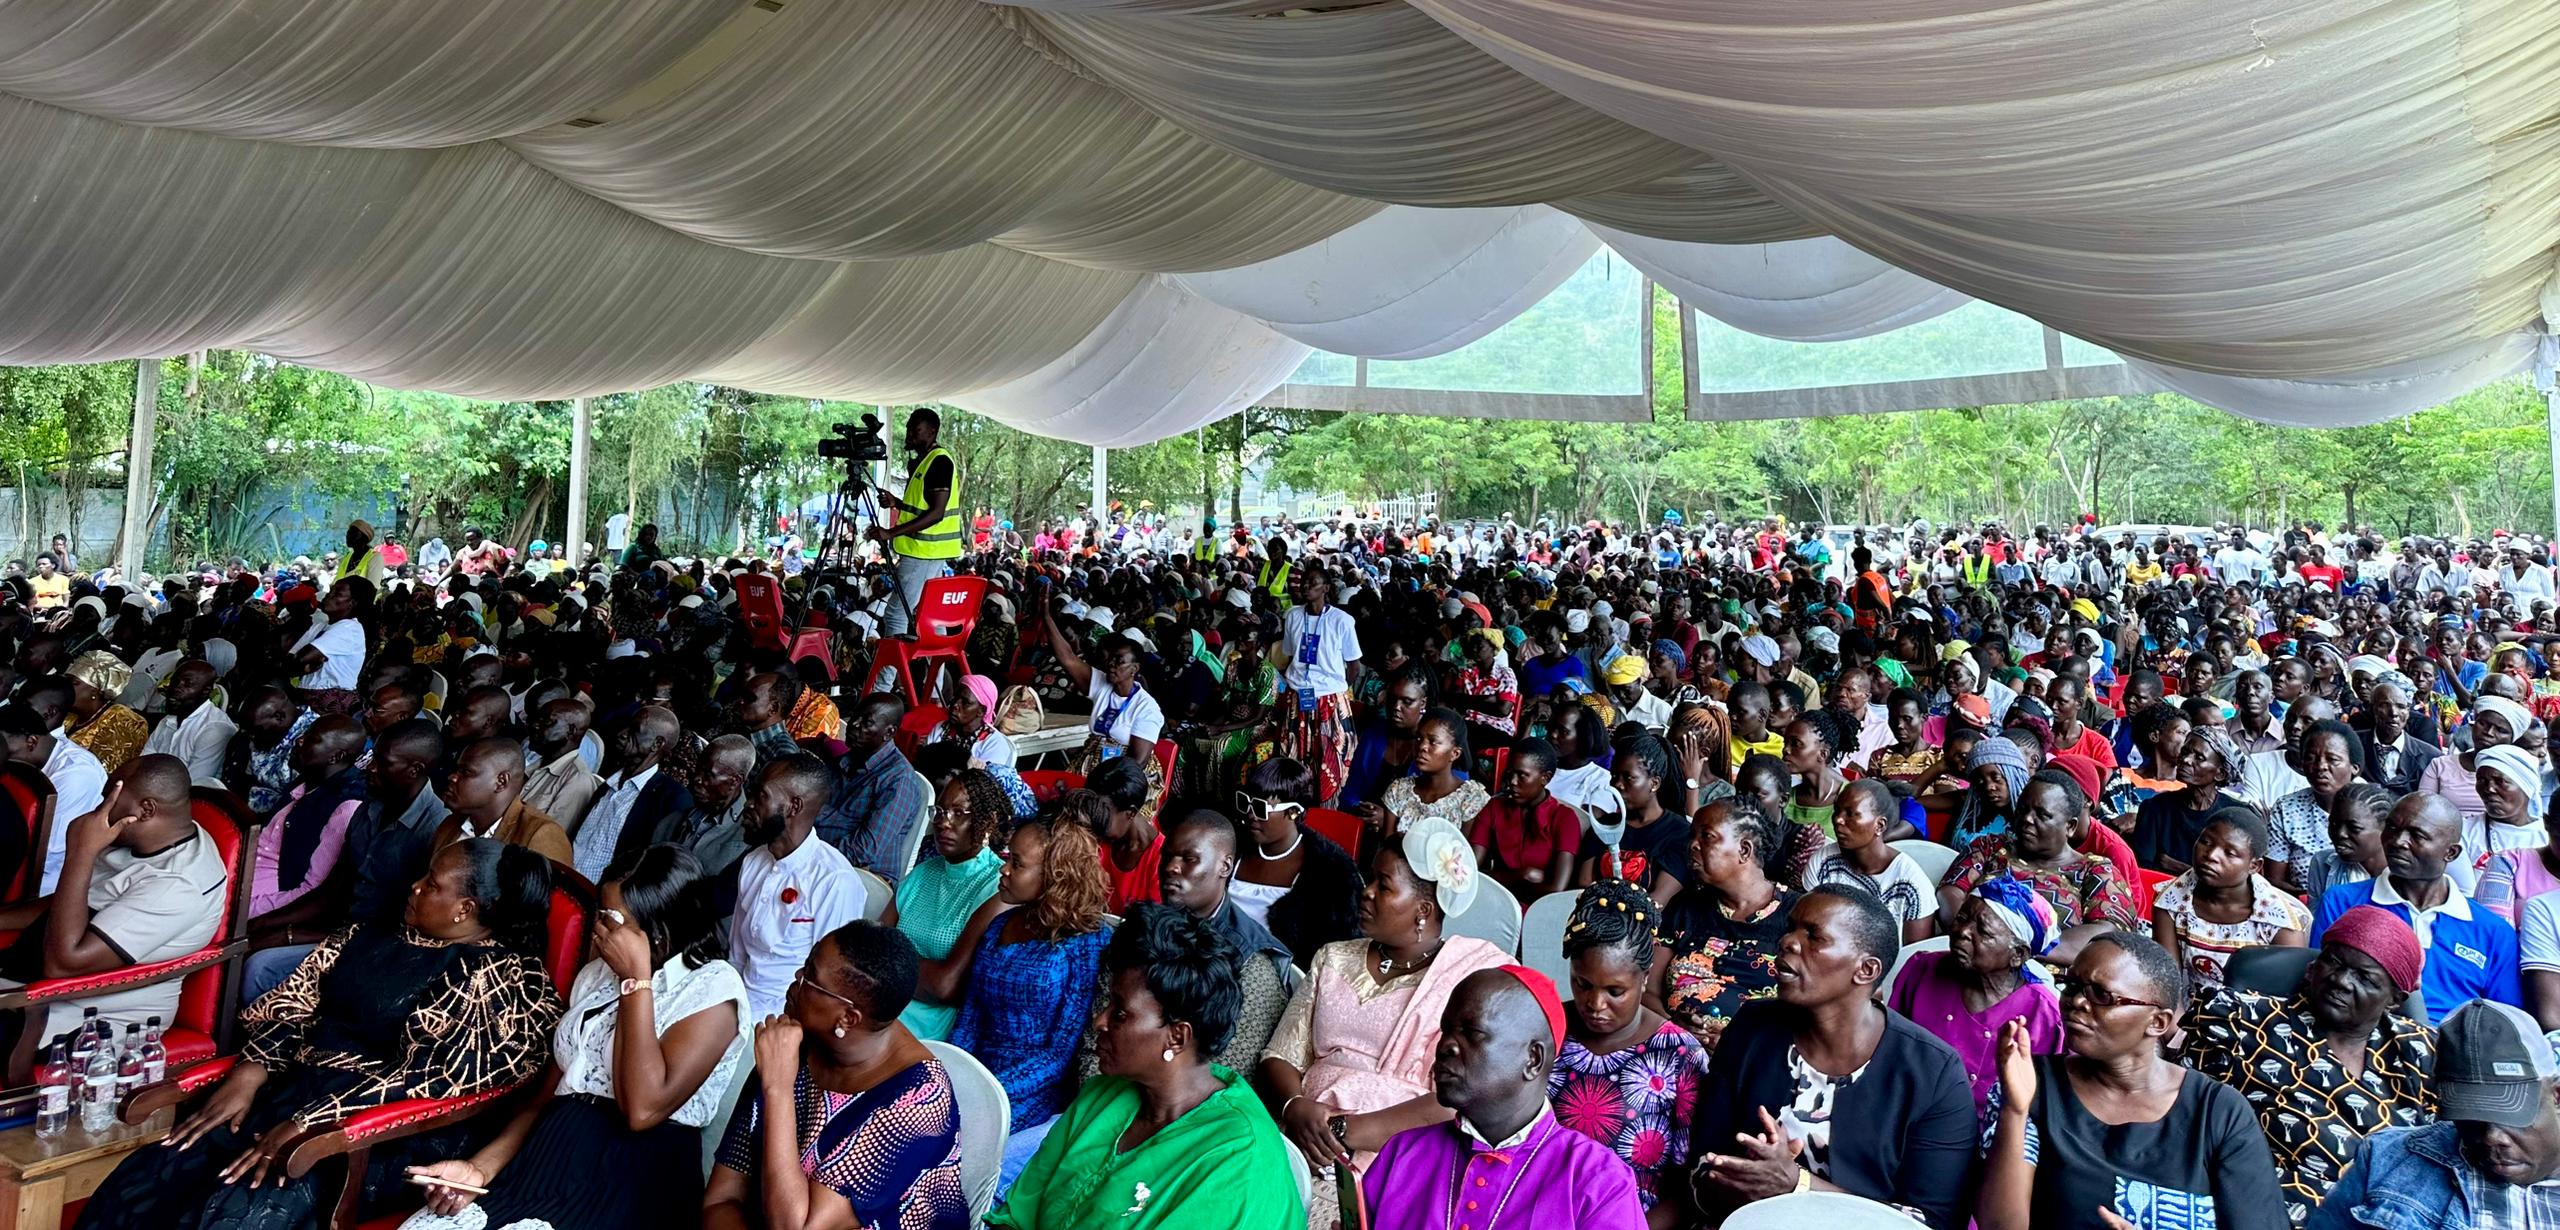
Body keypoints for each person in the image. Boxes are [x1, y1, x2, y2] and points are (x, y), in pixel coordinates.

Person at [75, 840, 562, 1230]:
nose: (414, 887)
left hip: (377, 1133)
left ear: (465, 908)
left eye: (431, 884)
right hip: (291, 1095)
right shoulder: (364, 937)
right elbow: (293, 1004)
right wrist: (250, 1071)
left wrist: (317, 1122)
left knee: (233, 1212)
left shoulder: (502, 978)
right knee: (149, 1175)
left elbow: (437, 1079)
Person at [401, 847, 750, 1230]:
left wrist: (636, 981)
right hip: (544, 1163)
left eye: (612, 919)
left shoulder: (712, 987)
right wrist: (479, 1169)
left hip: (628, 1180)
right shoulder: (597, 975)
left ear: (658, 927)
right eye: (600, 912)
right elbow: (546, 1098)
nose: (598, 928)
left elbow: (644, 1109)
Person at [1261, 818, 1510, 1229]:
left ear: (1423, 910)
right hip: (1301, 1134)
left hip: (1402, 1152)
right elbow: (1280, 1054)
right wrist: (1296, 1107)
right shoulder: (1333, 958)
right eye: (1369, 878)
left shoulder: (1473, 978)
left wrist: (1346, 1130)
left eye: (1383, 885)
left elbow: (1464, 1098)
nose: (1367, 892)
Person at [994, 904, 1303, 1230]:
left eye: (1121, 1013)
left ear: (1176, 1038)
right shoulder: (1103, 1096)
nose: (1100, 1021)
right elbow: (1017, 1216)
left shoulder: (1235, 1157)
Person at [1690, 887, 1980, 1229]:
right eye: (1791, 927)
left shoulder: (1934, 1073)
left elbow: (1933, 1222)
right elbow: (1702, 1167)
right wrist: (1736, 1177)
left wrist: (1797, 1186)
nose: (1788, 942)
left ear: (1866, 970)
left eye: (1814, 936)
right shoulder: (1751, 1028)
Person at [1979, 931, 2288, 1230]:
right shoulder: (2033, 1085)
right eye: (2072, 986)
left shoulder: (2219, 1112)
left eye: (2101, 995)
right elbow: (1999, 1226)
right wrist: (2014, 1111)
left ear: (2157, 1022)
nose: (2077, 1002)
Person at [700, 920, 970, 1230]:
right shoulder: (794, 1046)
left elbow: (796, 1226)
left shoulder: (918, 1102)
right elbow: (722, 1198)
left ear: (848, 1017)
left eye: (810, 979)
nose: (796, 979)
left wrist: (777, 1088)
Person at [2181, 905, 2434, 1225]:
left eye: (2364, 977)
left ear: (2395, 1000)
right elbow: (2184, 1119)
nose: (2341, 981)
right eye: (2334, 962)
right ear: (2313, 965)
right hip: (2271, 1212)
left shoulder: (2418, 1051)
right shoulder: (2240, 1022)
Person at [1360, 966, 1645, 1230]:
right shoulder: (1402, 1153)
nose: (1446, 1045)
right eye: (1447, 1030)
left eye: (1472, 1033)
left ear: (1532, 1059)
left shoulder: (1598, 1181)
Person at [0, 755, 224, 1080]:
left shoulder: (176, 885)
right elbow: (66, 902)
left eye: (110, 795)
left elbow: (64, 966)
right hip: (31, 974)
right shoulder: (140, 837)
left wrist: (81, 851)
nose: (101, 806)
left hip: (87, 1010)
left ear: (146, 810)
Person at [944, 810, 1114, 1187]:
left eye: (1017, 864)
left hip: (1031, 1091)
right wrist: (955, 1075)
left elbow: (1059, 1054)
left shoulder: (1085, 943)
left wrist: (988, 1093)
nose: (1004, 870)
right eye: (1007, 858)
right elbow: (971, 1014)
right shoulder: (1002, 924)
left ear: (1056, 876)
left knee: (960, 1159)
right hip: (978, 1071)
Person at [2307, 999, 2560, 1230]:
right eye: (2471, 1119)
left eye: (2511, 1115)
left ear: (2557, 1096)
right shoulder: (2387, 1158)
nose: (2491, 1137)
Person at [1549, 879, 1707, 1226]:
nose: (1595, 1004)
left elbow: (1688, 1185)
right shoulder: (1544, 1030)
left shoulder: (1679, 1055)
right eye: (1582, 983)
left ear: (1645, 978)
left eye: (1615, 991)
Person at [2313, 791, 2521, 1023]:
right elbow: (2317, 982)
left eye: (2417, 835)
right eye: (2391, 828)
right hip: (2360, 1038)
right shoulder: (2342, 902)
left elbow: (2504, 1019)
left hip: (2451, 1049)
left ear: (2450, 853)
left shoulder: (2492, 931)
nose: (2398, 841)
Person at [1889, 876, 2065, 1125]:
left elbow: (2041, 1104)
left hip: (1990, 1139)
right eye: (1962, 918)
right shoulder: (1922, 969)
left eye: (1982, 930)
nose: (1962, 932)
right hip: (1904, 1113)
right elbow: (1890, 1049)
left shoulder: (2042, 1012)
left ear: (2018, 955)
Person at [1650, 797, 1795, 1051]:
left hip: (1763, 1056)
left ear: (1744, 850)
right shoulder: (1684, 907)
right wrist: (1673, 1027)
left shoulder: (1798, 915)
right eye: (1692, 836)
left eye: (1707, 837)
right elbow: (1647, 991)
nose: (1692, 845)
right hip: (1680, 1052)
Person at [885, 769, 1007, 1041]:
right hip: (879, 1006)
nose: (943, 822)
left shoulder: (995, 885)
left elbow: (945, 986)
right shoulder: (923, 872)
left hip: (926, 1029)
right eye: (939, 811)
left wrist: (888, 966)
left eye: (958, 813)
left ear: (987, 821)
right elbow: (872, 950)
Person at [1942, 770, 2138, 937]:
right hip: (1974, 955)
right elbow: (1950, 892)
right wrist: (1974, 935)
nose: (2027, 819)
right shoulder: (1989, 847)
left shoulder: (2096, 871)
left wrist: (2020, 944)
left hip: (2053, 976)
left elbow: (2108, 932)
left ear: (2069, 826)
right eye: (2023, 809)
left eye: (2042, 815)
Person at [2150, 808, 2311, 989]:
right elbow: (2169, 984)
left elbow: (2285, 995)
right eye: (2205, 842)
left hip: (2254, 1015)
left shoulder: (2281, 921)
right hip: (2186, 1012)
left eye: (2230, 853)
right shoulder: (2170, 900)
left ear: (2254, 866)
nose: (2211, 856)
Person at [1232, 757, 1365, 967]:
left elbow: (1338, 952)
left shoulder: (1331, 872)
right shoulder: (1231, 847)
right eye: (1245, 803)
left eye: (1260, 808)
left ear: (1294, 812)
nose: (1250, 815)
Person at [812, 692, 930, 881]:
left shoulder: (898, 781)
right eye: (856, 716)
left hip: (864, 877)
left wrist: (808, 852)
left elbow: (864, 850)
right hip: (822, 857)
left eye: (867, 723)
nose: (854, 725)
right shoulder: (847, 760)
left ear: (889, 733)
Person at [1271, 565, 1364, 803]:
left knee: (1327, 756)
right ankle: (1294, 805)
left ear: (1326, 588)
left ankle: (1326, 807)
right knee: (1294, 755)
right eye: (1304, 582)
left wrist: (1339, 693)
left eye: (1313, 582)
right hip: (1297, 695)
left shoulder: (1342, 621)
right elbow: (1292, 657)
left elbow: (1354, 666)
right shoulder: (1292, 615)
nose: (1306, 586)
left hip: (1328, 699)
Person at [573, 705, 695, 883]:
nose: (622, 733)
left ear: (657, 744)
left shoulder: (671, 798)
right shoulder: (610, 783)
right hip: (564, 878)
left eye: (635, 730)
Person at [1806, 777, 1937, 942]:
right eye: (1837, 811)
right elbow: (1807, 926)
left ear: (1880, 826)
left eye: (1851, 814)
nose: (1838, 820)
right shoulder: (1823, 862)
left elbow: (1915, 958)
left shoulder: (1911, 885)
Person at [868, 407, 961, 639]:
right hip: (927, 553)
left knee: (896, 615)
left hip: (923, 552)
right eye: (909, 428)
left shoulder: (939, 461)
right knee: (931, 619)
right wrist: (897, 503)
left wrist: (890, 533)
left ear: (932, 431)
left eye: (915, 430)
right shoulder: (926, 461)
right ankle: (934, 676)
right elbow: (921, 507)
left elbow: (937, 513)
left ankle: (887, 676)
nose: (909, 434)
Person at [0, 699, 104, 894]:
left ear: (31, 742)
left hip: (45, 884)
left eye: (4, 748)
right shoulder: (29, 759)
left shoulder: (77, 775)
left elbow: (45, 852)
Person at [431, 738, 575, 869]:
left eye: (466, 772)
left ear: (501, 782)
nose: (452, 777)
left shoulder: (541, 836)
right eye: (457, 770)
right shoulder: (451, 824)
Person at [1468, 737, 1581, 904]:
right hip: (1493, 902)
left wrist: (1501, 880)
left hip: (1540, 911)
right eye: (1510, 773)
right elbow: (1469, 872)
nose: (1512, 782)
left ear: (1546, 778)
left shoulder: (1565, 818)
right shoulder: (1495, 807)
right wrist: (1521, 876)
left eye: (1522, 775)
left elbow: (1557, 891)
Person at [2265, 720, 2365, 895]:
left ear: (2354, 767)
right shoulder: (2287, 809)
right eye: (2311, 758)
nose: (2320, 766)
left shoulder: (2373, 809)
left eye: (2332, 759)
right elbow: (2274, 881)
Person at [2130, 725, 2247, 873]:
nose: (2186, 760)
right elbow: (2144, 869)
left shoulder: (2237, 815)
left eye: (2199, 758)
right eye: (2185, 752)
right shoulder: (2155, 808)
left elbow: (2235, 877)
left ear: (2220, 774)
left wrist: (2179, 867)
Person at [1369, 708, 1487, 844]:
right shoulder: (1399, 790)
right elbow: (1386, 848)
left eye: (1433, 741)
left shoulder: (1470, 799)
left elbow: (1463, 858)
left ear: (1455, 754)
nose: (1422, 746)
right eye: (1419, 738)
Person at [2461, 742, 2550, 894]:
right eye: (2482, 780)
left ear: (2526, 786)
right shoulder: (2464, 832)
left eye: (2500, 781)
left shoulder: (2549, 835)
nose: (2489, 788)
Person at [288, 574, 372, 715]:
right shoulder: (320, 626)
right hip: (306, 692)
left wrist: (300, 665)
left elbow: (301, 658)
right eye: (331, 591)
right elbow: (290, 661)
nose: (328, 596)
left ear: (352, 603)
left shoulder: (349, 628)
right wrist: (302, 666)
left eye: (337, 594)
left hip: (331, 699)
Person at [141, 659, 234, 784]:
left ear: (206, 691)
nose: (175, 688)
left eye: (187, 684)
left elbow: (193, 783)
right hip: (153, 787)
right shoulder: (169, 719)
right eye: (175, 681)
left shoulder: (215, 728)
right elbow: (143, 762)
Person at [518, 696, 600, 837]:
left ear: (571, 731)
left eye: (546, 721)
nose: (535, 725)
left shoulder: (577, 781)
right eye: (538, 719)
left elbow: (548, 841)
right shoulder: (536, 765)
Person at [63, 651, 147, 774]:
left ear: (95, 691)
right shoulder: (70, 714)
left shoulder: (122, 719)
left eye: (74, 683)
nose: (65, 687)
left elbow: (102, 771)